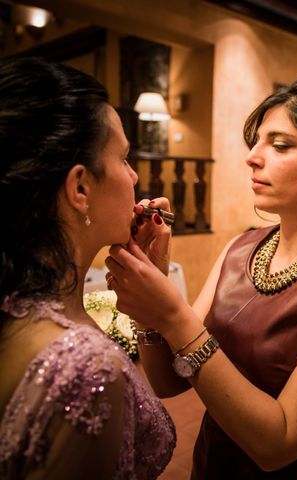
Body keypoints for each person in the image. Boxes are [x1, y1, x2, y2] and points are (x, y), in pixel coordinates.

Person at [105, 79, 297, 478]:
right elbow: (168, 382)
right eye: (256, 142)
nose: (253, 158)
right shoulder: (241, 247)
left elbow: (277, 445)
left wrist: (174, 314)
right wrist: (150, 297)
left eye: (280, 145)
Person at [0, 58, 175, 478]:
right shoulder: (84, 367)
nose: (134, 175)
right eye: (124, 158)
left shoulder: (13, 300)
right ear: (80, 187)